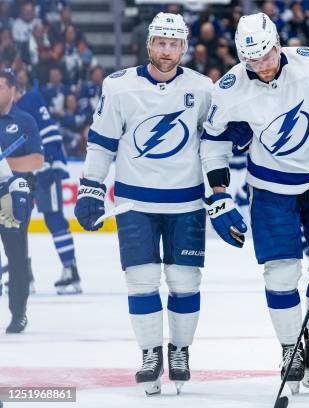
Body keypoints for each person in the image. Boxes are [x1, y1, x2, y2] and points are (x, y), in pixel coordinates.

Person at [201, 12, 309, 395]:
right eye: (252, 61)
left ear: (278, 44)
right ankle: (290, 350)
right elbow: (211, 146)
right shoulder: (229, 89)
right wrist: (220, 196)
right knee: (280, 272)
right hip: (270, 188)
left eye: (266, 55)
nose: (262, 66)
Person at [74, 13, 214, 396]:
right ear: (149, 44)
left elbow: (214, 145)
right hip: (135, 203)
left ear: (184, 47)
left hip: (186, 203)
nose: (166, 50)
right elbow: (102, 142)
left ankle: (180, 351)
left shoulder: (203, 89)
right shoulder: (119, 87)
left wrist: (220, 190)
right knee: (141, 282)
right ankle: (150, 354)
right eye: (160, 43)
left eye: (173, 44)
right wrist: (91, 187)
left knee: (185, 283)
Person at [15, 73, 80, 294]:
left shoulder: (30, 100)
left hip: (44, 169)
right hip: (25, 172)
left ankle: (70, 271)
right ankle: (23, 275)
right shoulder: (13, 109)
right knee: (17, 222)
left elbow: (47, 130)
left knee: (54, 218)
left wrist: (50, 161)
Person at [0, 69, 43, 333]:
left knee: (16, 256)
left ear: (14, 91)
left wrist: (4, 164)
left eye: (2, 86)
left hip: (13, 194)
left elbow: (37, 161)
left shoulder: (25, 121)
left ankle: (18, 313)